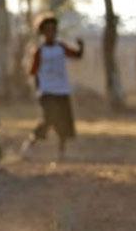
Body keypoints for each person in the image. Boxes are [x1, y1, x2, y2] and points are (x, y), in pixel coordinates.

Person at [18, 14, 83, 161]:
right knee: (49, 119)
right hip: (47, 91)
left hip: (62, 90)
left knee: (64, 122)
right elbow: (33, 72)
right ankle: (29, 145)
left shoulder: (60, 48)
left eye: (53, 30)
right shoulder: (40, 51)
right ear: (42, 33)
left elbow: (77, 55)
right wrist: (37, 90)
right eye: (47, 30)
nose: (51, 33)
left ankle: (62, 152)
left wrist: (81, 46)